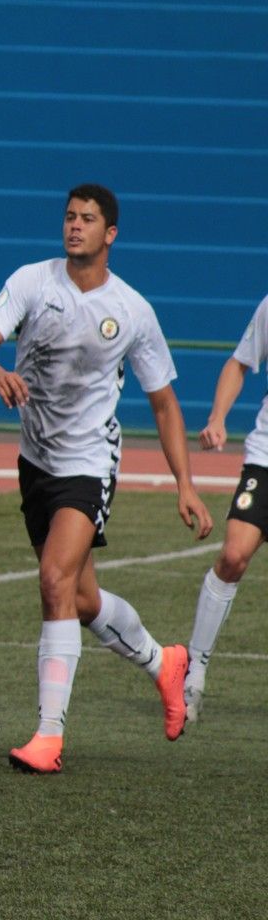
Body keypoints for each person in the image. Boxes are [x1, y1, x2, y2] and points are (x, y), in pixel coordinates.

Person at [0, 184, 212, 773]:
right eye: (69, 217)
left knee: (53, 579)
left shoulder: (132, 311)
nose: (74, 226)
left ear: (110, 234)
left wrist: (186, 484)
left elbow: (166, 405)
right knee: (81, 597)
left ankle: (48, 736)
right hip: (35, 461)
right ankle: (163, 662)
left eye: (88, 219)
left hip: (88, 463)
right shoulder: (32, 281)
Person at [184, 291, 268, 722]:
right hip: (265, 457)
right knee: (233, 555)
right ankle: (194, 670)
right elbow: (238, 363)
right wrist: (217, 417)